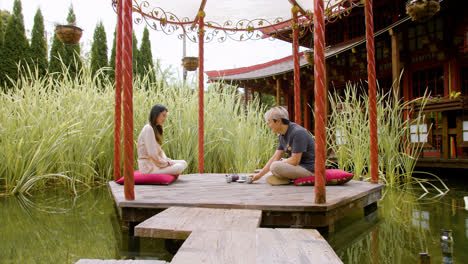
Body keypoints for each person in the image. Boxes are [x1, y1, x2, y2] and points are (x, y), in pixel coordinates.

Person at [250, 106, 315, 185]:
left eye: (269, 122)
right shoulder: (282, 135)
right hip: (297, 167)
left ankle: (285, 178)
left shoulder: (297, 133)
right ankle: (286, 179)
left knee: (275, 166)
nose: (268, 125)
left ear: (279, 121)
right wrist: (259, 175)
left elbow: (295, 161)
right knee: (275, 165)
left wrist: (282, 162)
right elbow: (275, 157)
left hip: (309, 169)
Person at [137, 104, 187, 175]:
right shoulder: (148, 128)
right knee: (179, 166)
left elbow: (160, 152)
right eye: (163, 115)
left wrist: (166, 160)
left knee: (183, 162)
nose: (165, 118)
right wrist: (165, 163)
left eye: (165, 116)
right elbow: (152, 154)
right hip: (149, 168)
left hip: (156, 164)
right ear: (156, 114)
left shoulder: (154, 129)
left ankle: (166, 166)